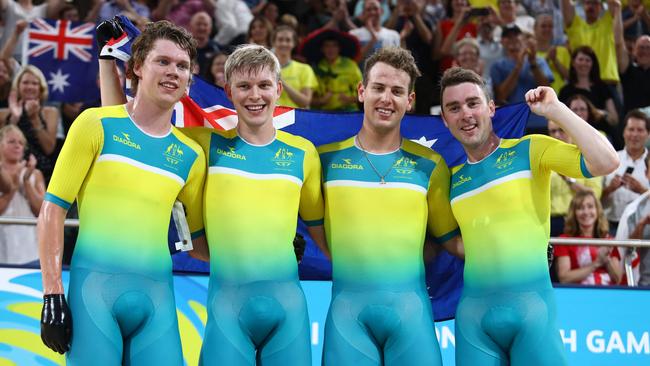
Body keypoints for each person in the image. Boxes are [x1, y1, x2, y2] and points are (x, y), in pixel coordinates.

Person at [37, 21, 207, 364]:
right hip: (94, 298)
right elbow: (52, 211)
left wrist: (272, 245)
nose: (173, 71)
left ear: (189, 81)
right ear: (137, 67)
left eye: (182, 66)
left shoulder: (192, 156)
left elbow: (199, 243)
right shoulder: (94, 125)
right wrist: (52, 294)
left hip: (157, 304)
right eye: (163, 61)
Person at [439, 67, 618, 364]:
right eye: (454, 108)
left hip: (532, 313)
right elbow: (450, 241)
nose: (465, 114)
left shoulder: (531, 150)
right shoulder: (450, 179)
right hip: (473, 321)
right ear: (445, 121)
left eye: (473, 103)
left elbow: (606, 161)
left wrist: (557, 110)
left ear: (491, 108)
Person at [319, 47, 463, 365]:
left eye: (397, 91)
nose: (387, 99)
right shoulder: (325, 160)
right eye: (379, 88)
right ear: (362, 91)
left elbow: (451, 242)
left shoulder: (430, 164)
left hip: (411, 317)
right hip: (347, 319)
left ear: (409, 101)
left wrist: (525, 247)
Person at [0, 64, 60, 182]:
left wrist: (34, 118)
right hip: (10, 174)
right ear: (17, 86)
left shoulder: (50, 112)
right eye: (26, 82)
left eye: (34, 83)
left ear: (41, 88)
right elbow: (2, 145)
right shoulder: (3, 113)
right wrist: (15, 117)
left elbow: (49, 148)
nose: (30, 87)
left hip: (43, 174)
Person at [548, 119, 602, 237]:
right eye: (552, 131)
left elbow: (594, 194)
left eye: (561, 130)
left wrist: (568, 180)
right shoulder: (544, 158)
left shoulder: (586, 157)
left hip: (578, 221)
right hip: (549, 222)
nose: (557, 135)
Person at [554, 190, 622, 285]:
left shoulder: (608, 240)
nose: (586, 212)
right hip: (578, 295)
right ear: (574, 213)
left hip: (607, 295)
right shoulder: (564, 240)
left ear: (597, 211)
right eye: (580, 208)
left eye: (590, 207)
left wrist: (607, 259)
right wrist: (596, 263)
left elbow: (617, 279)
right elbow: (564, 278)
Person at [0, 125, 44, 265]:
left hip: (30, 250)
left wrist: (26, 181)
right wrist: (14, 182)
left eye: (20, 143)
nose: (17, 146)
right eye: (11, 141)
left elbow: (42, 211)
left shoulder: (35, 174)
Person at [602, 110, 650, 233]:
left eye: (640, 130)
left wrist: (642, 191)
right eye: (631, 129)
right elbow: (595, 197)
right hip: (610, 226)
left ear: (648, 134)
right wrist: (610, 189)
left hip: (644, 227)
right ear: (624, 132)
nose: (634, 134)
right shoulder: (610, 159)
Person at [273, 25, 318, 108]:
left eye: (288, 40)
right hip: (272, 118)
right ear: (274, 43)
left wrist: (280, 81)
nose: (284, 43)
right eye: (280, 40)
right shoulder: (266, 69)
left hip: (297, 119)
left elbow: (305, 102)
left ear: (293, 44)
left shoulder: (305, 69)